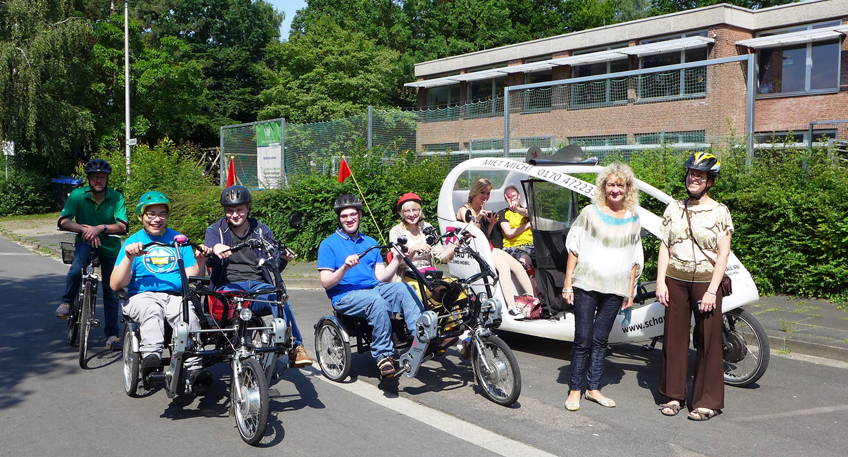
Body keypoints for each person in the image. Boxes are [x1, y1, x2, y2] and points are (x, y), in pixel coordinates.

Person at [110, 191, 214, 391]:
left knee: (189, 316)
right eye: (151, 214)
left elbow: (191, 275)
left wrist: (200, 259)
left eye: (161, 214)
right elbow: (115, 284)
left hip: (175, 296)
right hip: (142, 296)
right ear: (142, 216)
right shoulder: (132, 242)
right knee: (152, 310)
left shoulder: (178, 240)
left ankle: (194, 369)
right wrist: (130, 257)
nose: (157, 219)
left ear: (167, 216)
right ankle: (152, 359)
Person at [656, 152, 732, 422]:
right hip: (675, 280)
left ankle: (706, 400)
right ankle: (674, 395)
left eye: (700, 175)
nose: (694, 178)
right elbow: (665, 246)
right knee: (674, 339)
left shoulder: (720, 211)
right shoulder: (674, 208)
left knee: (707, 340)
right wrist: (661, 281)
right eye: (691, 173)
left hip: (705, 283)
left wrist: (712, 290)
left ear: (710, 181)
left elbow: (723, 255)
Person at [562, 162, 643, 411]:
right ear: (604, 187)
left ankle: (593, 389)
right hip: (586, 284)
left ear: (627, 188)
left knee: (600, 341)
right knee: (583, 339)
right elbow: (574, 247)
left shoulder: (633, 218)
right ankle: (575, 390)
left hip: (615, 288)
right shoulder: (590, 212)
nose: (615, 189)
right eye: (611, 184)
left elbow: (634, 258)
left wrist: (630, 291)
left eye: (620, 185)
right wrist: (568, 283)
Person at [318, 194, 425, 378]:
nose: (349, 219)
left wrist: (398, 258)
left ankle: (420, 336)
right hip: (345, 296)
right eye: (344, 216)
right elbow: (326, 282)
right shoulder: (328, 244)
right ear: (339, 218)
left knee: (403, 288)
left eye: (353, 214)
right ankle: (384, 355)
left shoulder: (370, 242)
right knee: (375, 301)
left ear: (360, 215)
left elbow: (382, 277)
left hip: (373, 289)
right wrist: (344, 267)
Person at [205, 185, 313, 368]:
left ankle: (296, 346)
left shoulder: (261, 230)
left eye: (239, 209)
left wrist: (283, 259)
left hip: (257, 287)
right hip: (228, 287)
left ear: (248, 208)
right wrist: (216, 250)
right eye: (230, 210)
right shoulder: (216, 230)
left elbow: (274, 265)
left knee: (279, 299)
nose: (235, 214)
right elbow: (209, 257)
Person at [55, 159, 129, 351]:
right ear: (88, 178)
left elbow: (122, 226)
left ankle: (112, 335)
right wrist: (85, 231)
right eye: (95, 177)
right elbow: (63, 221)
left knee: (111, 289)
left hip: (110, 246)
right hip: (84, 242)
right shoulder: (78, 195)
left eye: (102, 177)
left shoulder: (116, 197)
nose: (98, 180)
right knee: (77, 267)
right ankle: (67, 302)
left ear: (107, 179)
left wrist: (100, 228)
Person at [456, 178, 534, 319]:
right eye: (483, 193)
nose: (485, 197)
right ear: (474, 192)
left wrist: (491, 225)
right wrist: (479, 218)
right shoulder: (464, 210)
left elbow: (485, 236)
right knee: (503, 267)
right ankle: (511, 307)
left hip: (487, 247)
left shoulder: (481, 210)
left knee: (517, 265)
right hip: (474, 252)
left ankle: (532, 301)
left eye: (488, 193)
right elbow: (471, 232)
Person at [388, 192, 456, 283]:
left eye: (415, 210)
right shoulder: (396, 231)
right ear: (401, 213)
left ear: (420, 211)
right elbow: (401, 263)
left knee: (455, 289)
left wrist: (457, 244)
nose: (412, 214)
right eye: (407, 211)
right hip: (407, 276)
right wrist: (413, 249)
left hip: (429, 275)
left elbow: (442, 256)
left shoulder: (427, 228)